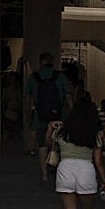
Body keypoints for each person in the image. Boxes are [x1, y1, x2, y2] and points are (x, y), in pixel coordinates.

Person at [48, 99, 105, 209]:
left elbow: (48, 145)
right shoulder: (94, 133)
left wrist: (49, 129)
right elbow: (98, 161)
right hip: (86, 169)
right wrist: (104, 181)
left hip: (65, 168)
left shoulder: (61, 131)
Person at [25, 51, 69, 182]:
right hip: (59, 117)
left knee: (42, 146)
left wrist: (28, 115)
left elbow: (28, 99)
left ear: (40, 62)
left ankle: (44, 174)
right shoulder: (61, 77)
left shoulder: (33, 78)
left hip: (40, 118)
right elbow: (68, 96)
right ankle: (58, 171)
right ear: (52, 62)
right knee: (59, 145)